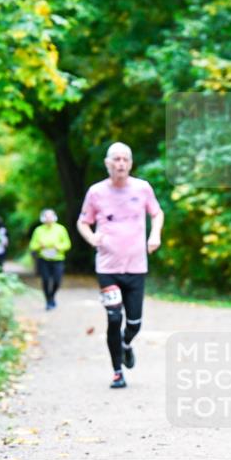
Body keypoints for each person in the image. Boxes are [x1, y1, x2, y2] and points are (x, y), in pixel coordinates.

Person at [77, 142, 164, 389]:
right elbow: (83, 222)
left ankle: (126, 344)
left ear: (131, 163)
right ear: (107, 164)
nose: (121, 164)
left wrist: (155, 235)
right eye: (116, 159)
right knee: (114, 318)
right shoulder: (96, 192)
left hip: (136, 266)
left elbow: (157, 213)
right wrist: (91, 237)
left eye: (125, 159)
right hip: (107, 267)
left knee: (134, 323)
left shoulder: (142, 188)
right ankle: (117, 372)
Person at [28, 208, 71, 310]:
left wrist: (58, 247)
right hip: (44, 259)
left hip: (58, 259)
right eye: (47, 216)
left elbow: (67, 244)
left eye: (51, 216)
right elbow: (32, 245)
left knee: (57, 280)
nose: (49, 218)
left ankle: (52, 296)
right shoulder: (38, 230)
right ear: (43, 218)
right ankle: (48, 301)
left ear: (54, 217)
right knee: (46, 280)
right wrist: (39, 246)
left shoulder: (61, 229)